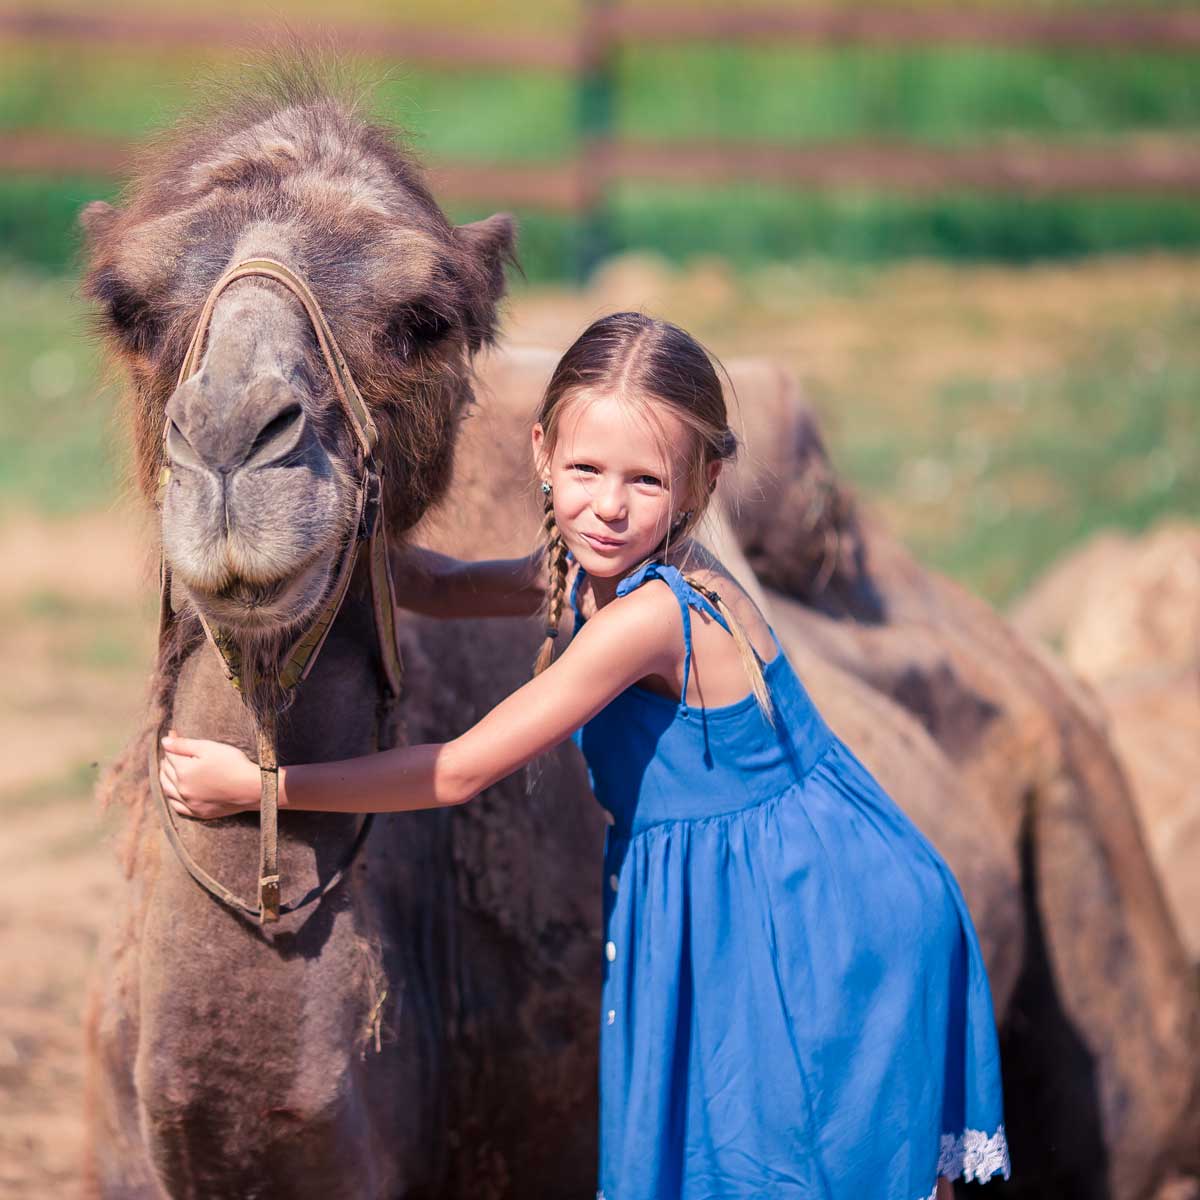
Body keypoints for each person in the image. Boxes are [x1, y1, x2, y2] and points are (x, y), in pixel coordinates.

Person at [161, 312, 1010, 1199]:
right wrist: (319, 531)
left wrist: (260, 787)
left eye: (646, 480)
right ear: (541, 452)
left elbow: (461, 769)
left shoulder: (652, 616)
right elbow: (444, 588)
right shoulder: (588, 572)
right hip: (762, 880)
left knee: (792, 1162)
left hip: (815, 911)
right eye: (586, 471)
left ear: (704, 480)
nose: (608, 506)